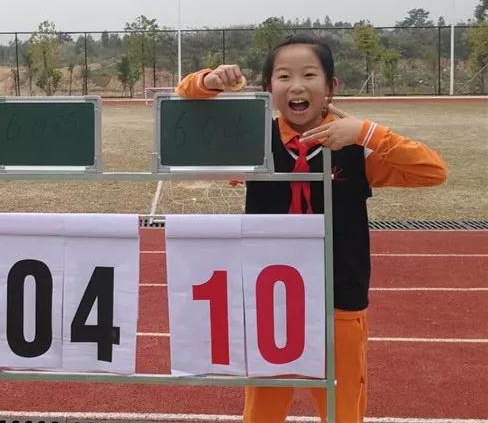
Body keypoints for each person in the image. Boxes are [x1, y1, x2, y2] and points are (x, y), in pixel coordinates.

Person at [176, 35, 447, 423]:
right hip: (270, 301)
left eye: (309, 75)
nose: (297, 86)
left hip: (340, 298)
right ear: (269, 87)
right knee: (263, 411)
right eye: (284, 76)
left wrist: (367, 132)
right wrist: (207, 82)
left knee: (342, 411)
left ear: (331, 86)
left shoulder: (355, 145)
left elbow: (432, 171)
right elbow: (183, 118)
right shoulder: (254, 141)